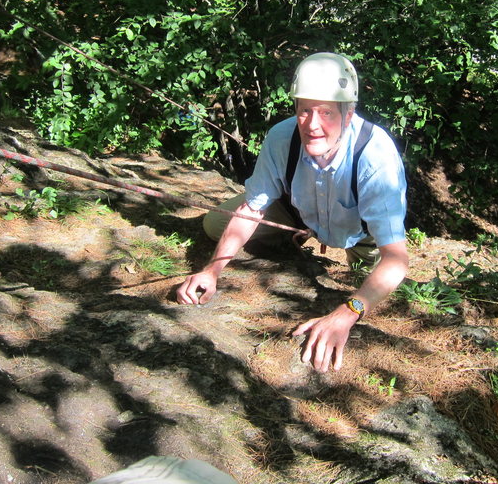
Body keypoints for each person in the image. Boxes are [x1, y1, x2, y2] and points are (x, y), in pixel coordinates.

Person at [175, 52, 408, 373]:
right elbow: (251, 208)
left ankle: (349, 260)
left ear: (349, 114)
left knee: (364, 278)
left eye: (326, 112)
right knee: (216, 223)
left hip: (359, 232)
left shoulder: (375, 156)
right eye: (304, 111)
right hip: (299, 215)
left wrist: (348, 312)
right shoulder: (282, 138)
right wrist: (211, 271)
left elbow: (396, 260)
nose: (313, 124)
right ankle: (291, 242)